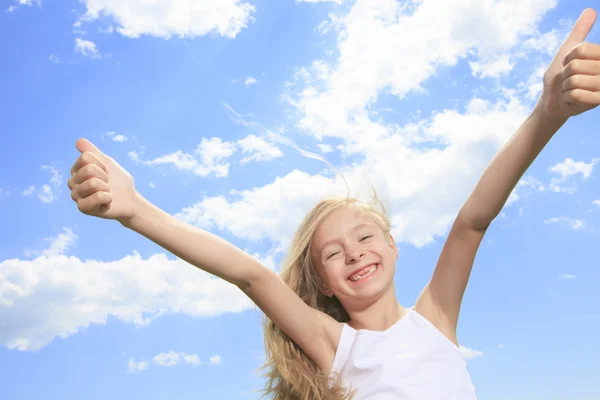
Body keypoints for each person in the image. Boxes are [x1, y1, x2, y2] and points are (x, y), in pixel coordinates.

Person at [67, 8, 599, 400]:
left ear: (391, 247)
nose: (355, 254)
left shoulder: (434, 319)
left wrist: (546, 114)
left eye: (365, 237)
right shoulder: (335, 345)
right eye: (333, 253)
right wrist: (136, 211)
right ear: (321, 283)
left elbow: (473, 221)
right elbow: (250, 275)